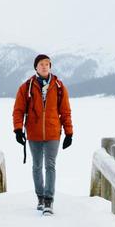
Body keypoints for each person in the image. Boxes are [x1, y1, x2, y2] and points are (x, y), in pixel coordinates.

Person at [12, 53, 73, 214]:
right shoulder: (27, 87)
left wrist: (69, 133)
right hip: (34, 133)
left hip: (53, 133)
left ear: (50, 67)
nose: (44, 66)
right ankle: (40, 197)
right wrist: (18, 129)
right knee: (37, 165)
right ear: (36, 67)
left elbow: (65, 112)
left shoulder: (59, 87)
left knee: (50, 165)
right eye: (41, 64)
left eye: (47, 64)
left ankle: (48, 200)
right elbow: (18, 110)